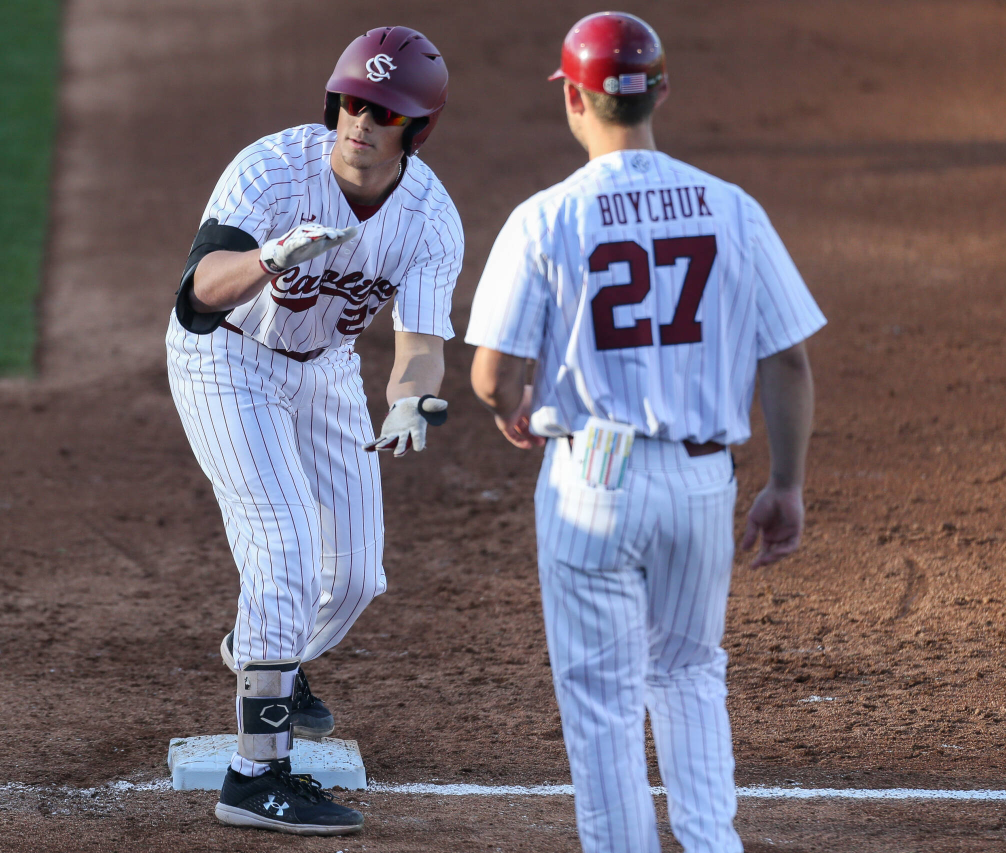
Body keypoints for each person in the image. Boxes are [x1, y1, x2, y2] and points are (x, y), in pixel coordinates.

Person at [465, 12, 824, 852]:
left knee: (602, 697)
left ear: (575, 100)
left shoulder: (545, 217)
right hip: (701, 479)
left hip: (593, 475)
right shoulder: (731, 208)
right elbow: (788, 358)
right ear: (660, 92)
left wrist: (514, 402)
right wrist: (786, 483)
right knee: (690, 670)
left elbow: (491, 374)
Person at [166, 26, 463, 836]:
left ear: (417, 128)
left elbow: (420, 348)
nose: (361, 121)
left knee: (357, 575)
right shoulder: (271, 170)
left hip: (327, 366)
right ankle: (255, 776)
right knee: (285, 549)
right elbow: (200, 292)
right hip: (228, 359)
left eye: (384, 112)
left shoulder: (429, 219)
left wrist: (410, 400)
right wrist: (274, 257)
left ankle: (264, 652)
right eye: (353, 102)